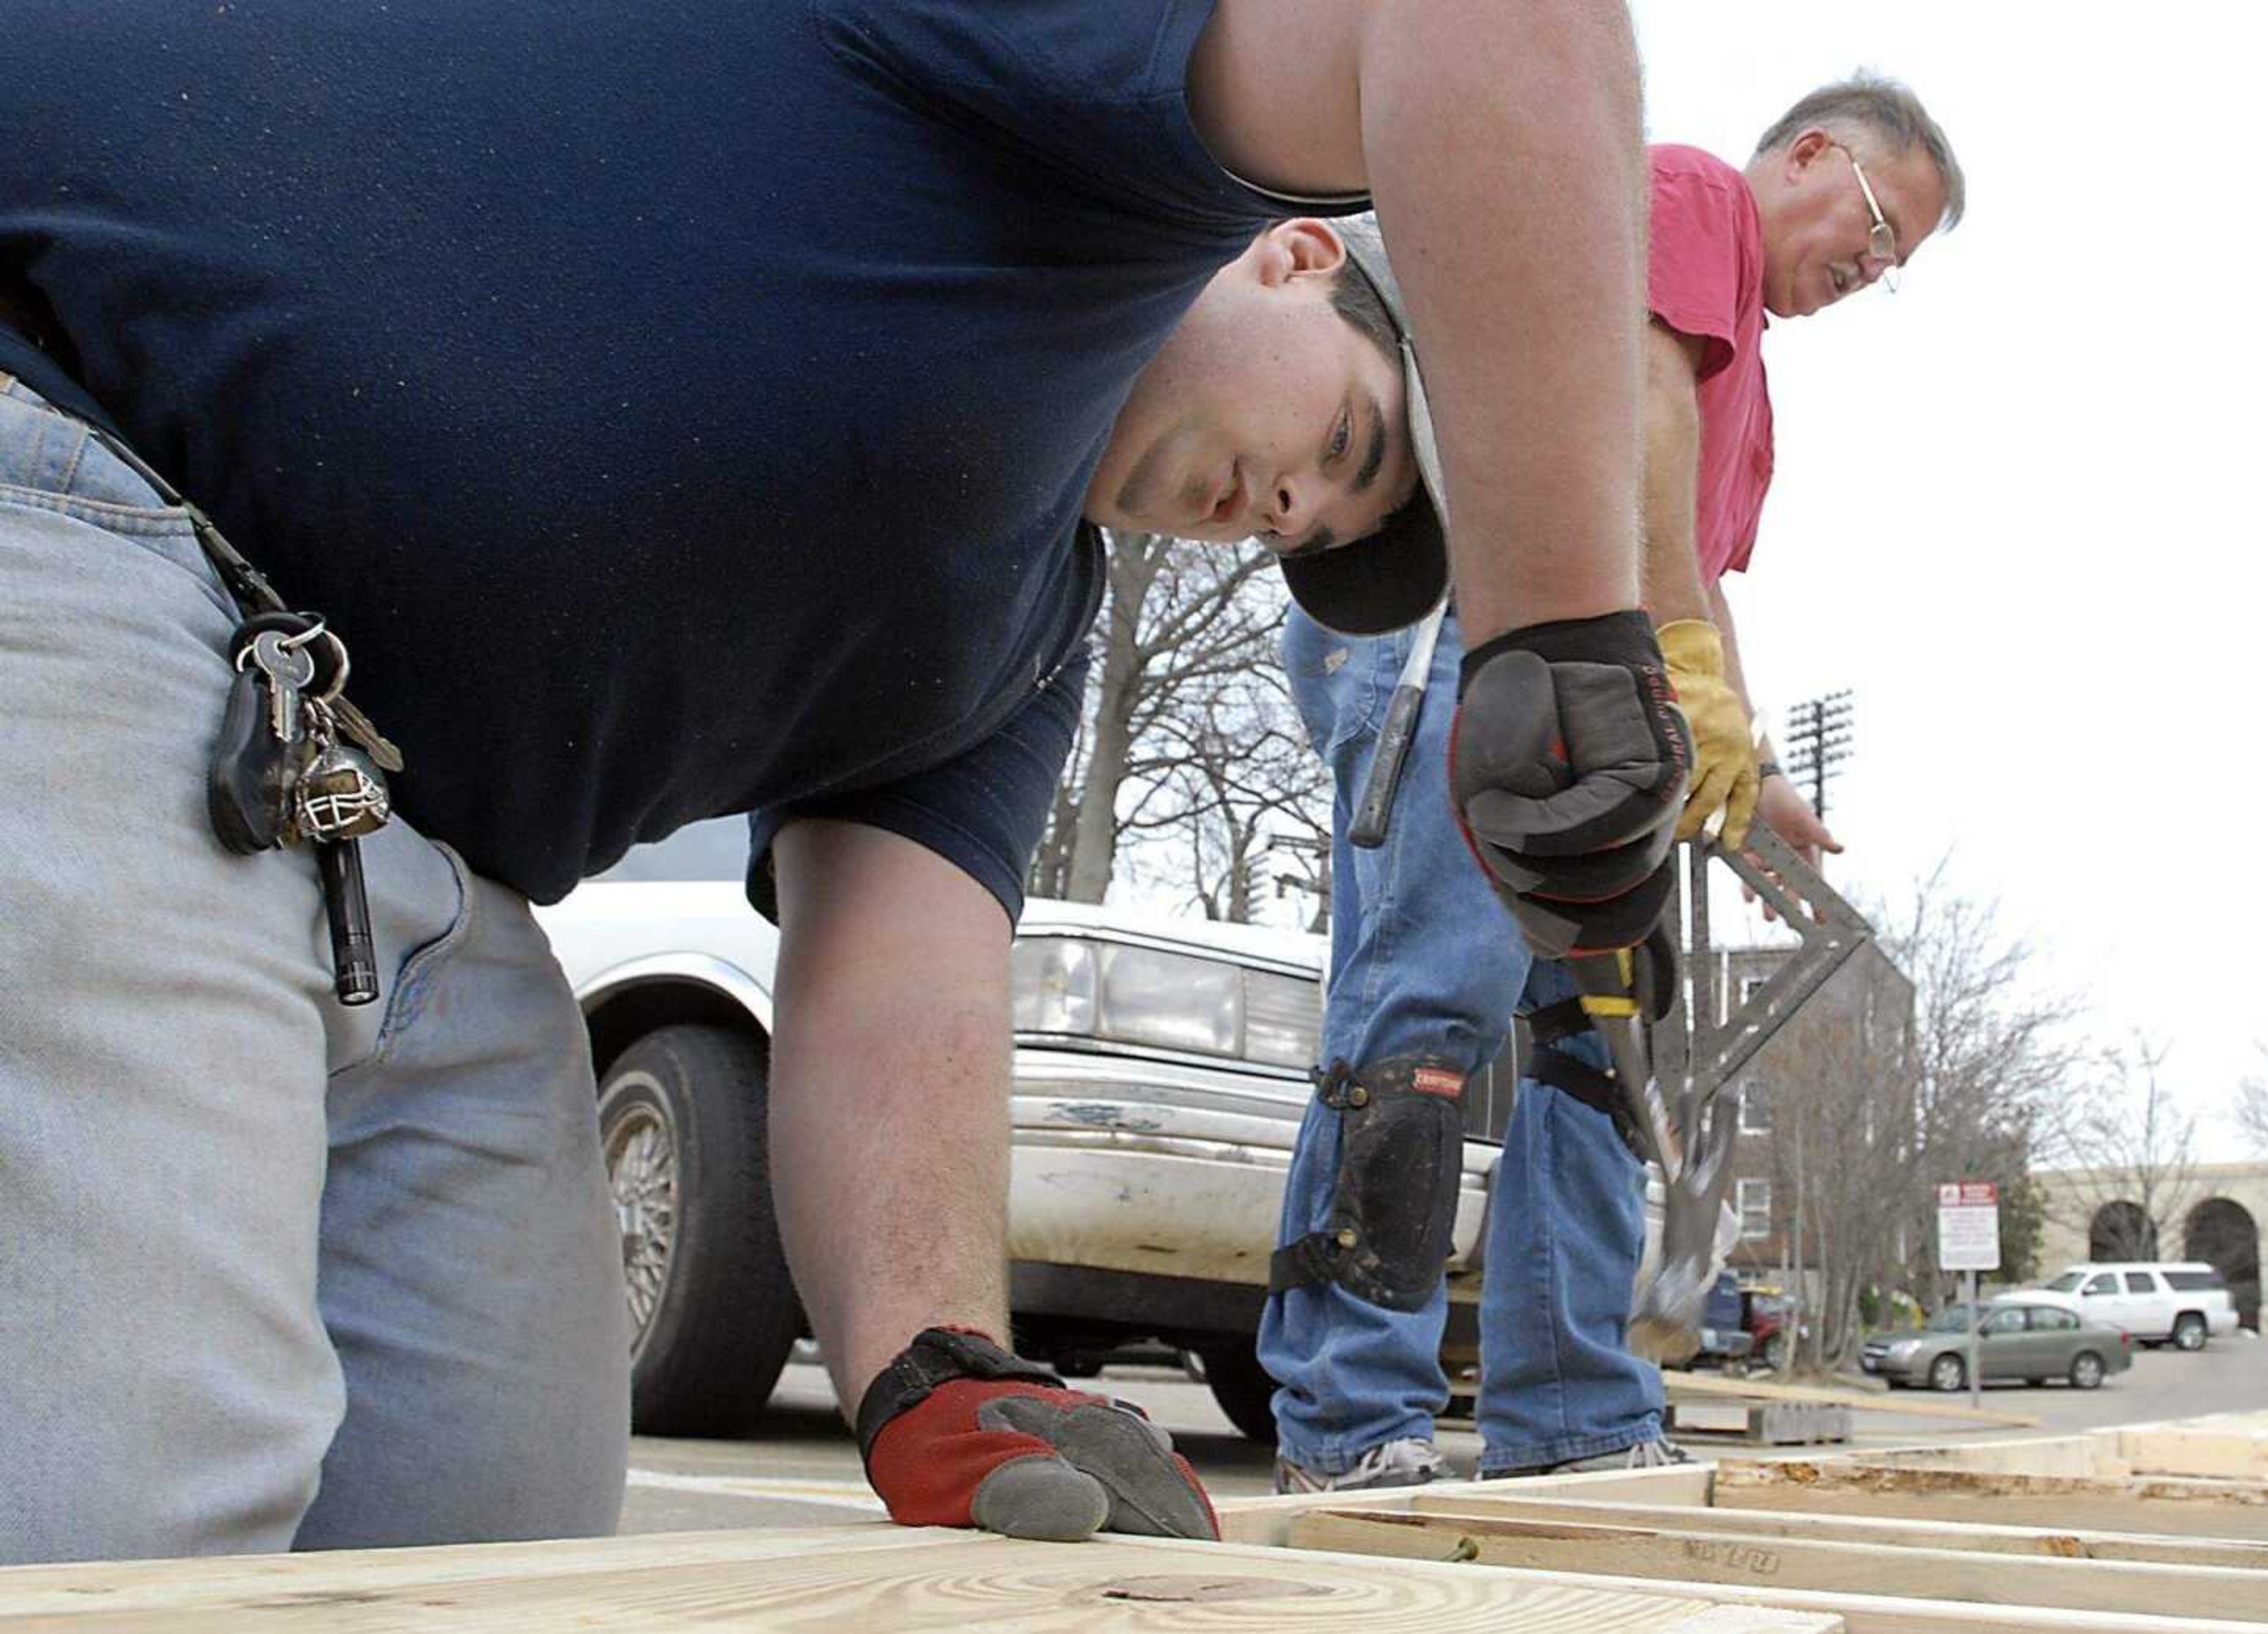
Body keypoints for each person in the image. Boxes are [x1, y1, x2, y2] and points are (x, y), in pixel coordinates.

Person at [0, 0, 1687, 1564]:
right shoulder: (1090, 137)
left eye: (1320, 535)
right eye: (1350, 447)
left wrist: (932, 1360)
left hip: (392, 845)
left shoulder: (1016, 654)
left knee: (496, 1535)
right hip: (79, 472)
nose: (1291, 513)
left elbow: (898, 996)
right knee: (133, 1501)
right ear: (1296, 252)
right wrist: (1557, 625)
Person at [1260, 75, 1965, 1491]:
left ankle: (1573, 1415)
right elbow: (1635, 398)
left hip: (1595, 694)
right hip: (1455, 621)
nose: (1871, 268)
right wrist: (1686, 673)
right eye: (1881, 225)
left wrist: (1743, 754)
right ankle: (1349, 1421)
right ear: (1813, 153)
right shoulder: (1694, 193)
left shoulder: (1751, 399)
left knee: (1598, 1052)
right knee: (1427, 1002)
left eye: (1897, 266)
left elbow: (1685, 565)